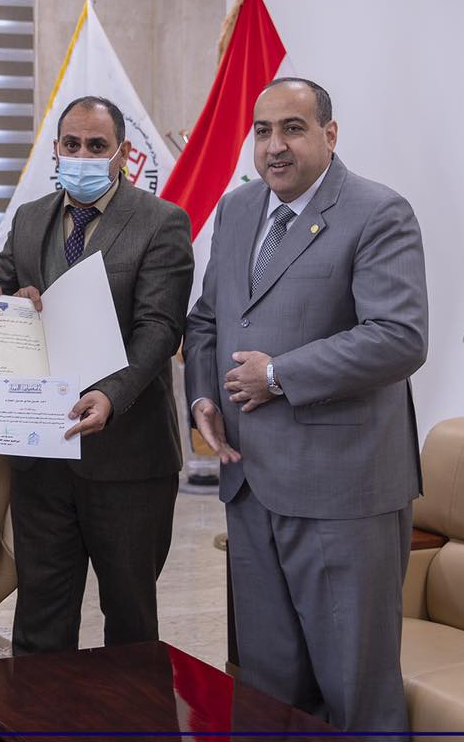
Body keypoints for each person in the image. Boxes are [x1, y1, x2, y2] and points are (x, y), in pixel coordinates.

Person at [183, 77, 428, 732]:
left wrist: (279, 374)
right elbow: (207, 317)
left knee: (355, 692)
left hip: (341, 490)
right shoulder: (238, 209)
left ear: (329, 134)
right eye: (262, 130)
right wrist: (203, 396)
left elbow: (399, 336)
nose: (275, 146)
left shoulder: (379, 212)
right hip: (249, 486)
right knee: (270, 690)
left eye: (292, 128)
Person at [0, 94, 193, 656]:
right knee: (40, 617)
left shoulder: (162, 222)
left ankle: (131, 709)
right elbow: (2, 294)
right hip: (43, 455)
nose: (82, 156)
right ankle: (37, 709)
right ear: (55, 149)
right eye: (71, 145)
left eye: (97, 146)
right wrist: (4, 301)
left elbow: (160, 328)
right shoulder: (30, 218)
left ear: (122, 153)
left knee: (129, 617)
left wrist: (111, 395)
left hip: (128, 457)